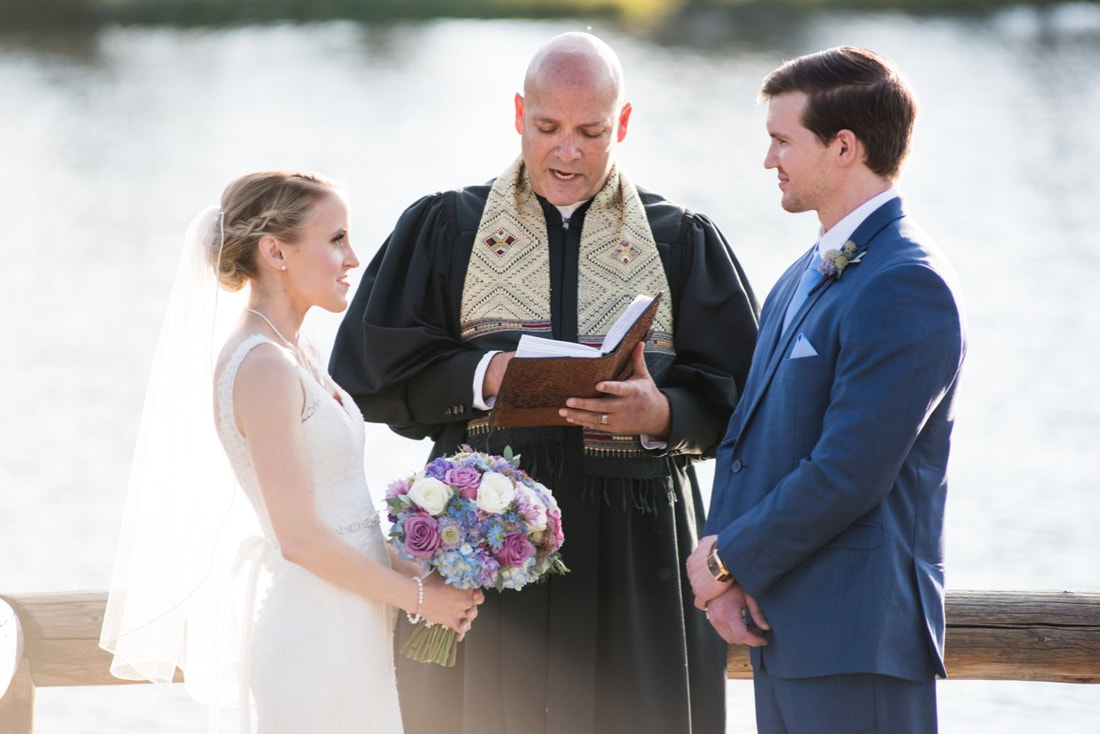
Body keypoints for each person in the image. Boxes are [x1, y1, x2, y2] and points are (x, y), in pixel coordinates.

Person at [330, 32, 759, 734]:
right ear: (519, 114)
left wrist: (660, 414)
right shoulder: (449, 228)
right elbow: (369, 371)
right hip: (483, 542)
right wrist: (485, 374)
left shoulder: (680, 239)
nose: (567, 152)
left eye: (591, 132)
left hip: (636, 555)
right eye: (548, 128)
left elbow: (744, 397)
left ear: (621, 124)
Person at [100, 171, 482, 733]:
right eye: (336, 240)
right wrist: (419, 599)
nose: (353, 258)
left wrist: (425, 572)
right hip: (315, 633)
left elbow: (341, 515)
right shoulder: (262, 367)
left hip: (353, 619)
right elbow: (300, 538)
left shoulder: (294, 351)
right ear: (275, 251)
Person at [687, 46, 967, 734]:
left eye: (782, 141)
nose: (768, 161)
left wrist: (727, 560)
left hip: (856, 639)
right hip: (783, 628)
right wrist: (730, 573)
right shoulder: (803, 273)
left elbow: (850, 470)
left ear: (844, 146)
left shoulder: (908, 283)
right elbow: (754, 438)